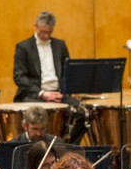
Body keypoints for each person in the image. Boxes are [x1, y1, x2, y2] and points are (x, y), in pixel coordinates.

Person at [12, 11, 85, 143]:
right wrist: (42, 93)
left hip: (57, 93)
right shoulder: (23, 47)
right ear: (35, 26)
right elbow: (19, 77)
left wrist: (61, 93)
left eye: (49, 32)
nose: (46, 36)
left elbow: (67, 73)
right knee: (36, 115)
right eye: (43, 32)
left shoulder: (60, 45)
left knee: (83, 112)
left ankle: (69, 147)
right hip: (35, 94)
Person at [9, 105, 56, 169]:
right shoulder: (13, 146)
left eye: (42, 128)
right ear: (25, 126)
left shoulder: (55, 142)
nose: (39, 134)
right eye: (34, 129)